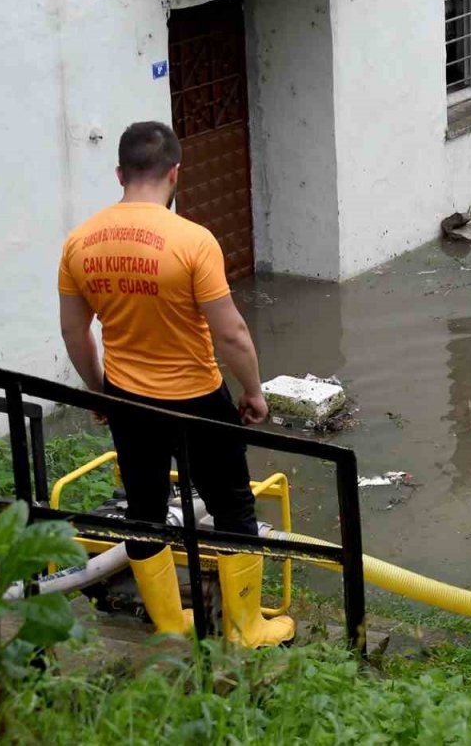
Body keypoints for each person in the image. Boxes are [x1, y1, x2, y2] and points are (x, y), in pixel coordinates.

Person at [57, 121, 294, 648]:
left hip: (128, 398)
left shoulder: (80, 242)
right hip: (197, 399)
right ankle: (245, 627)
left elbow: (75, 331)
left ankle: (169, 625)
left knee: (144, 510)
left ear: (119, 173)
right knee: (232, 507)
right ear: (175, 174)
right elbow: (230, 333)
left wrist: (99, 391)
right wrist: (253, 391)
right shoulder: (192, 240)